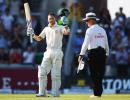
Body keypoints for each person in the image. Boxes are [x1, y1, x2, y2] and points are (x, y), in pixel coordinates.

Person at [27, 12, 70, 97]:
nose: (50, 20)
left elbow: (66, 32)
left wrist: (66, 25)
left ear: (55, 19)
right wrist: (32, 34)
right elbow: (39, 38)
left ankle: (55, 93)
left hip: (57, 52)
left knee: (55, 74)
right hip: (48, 52)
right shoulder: (46, 28)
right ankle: (42, 92)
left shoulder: (60, 27)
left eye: (52, 18)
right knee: (42, 72)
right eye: (49, 18)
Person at [78, 12, 109, 98]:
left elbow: (85, 43)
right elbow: (106, 43)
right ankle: (98, 93)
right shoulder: (102, 30)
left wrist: (81, 54)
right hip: (102, 53)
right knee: (100, 73)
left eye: (87, 20)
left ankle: (97, 93)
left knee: (94, 74)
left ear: (91, 20)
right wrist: (107, 53)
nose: (86, 22)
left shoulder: (89, 30)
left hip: (93, 53)